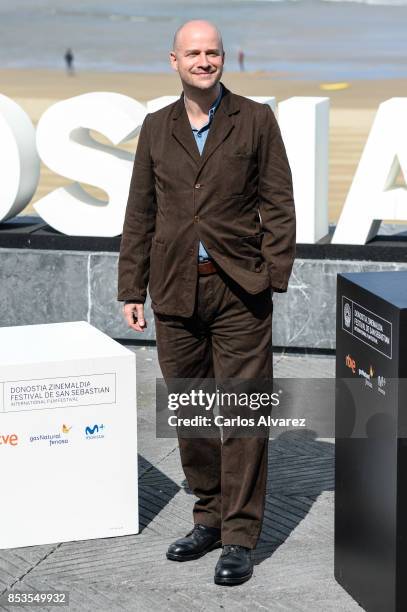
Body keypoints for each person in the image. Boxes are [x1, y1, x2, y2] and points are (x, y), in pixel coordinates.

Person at [117, 19, 296, 586]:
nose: (203, 60)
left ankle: (241, 537)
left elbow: (279, 201)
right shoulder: (154, 127)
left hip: (240, 290)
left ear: (224, 59)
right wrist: (131, 286)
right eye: (193, 53)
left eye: (212, 52)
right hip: (174, 289)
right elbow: (140, 213)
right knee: (192, 416)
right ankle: (209, 518)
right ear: (173, 60)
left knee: (242, 417)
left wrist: (272, 275)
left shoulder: (256, 119)